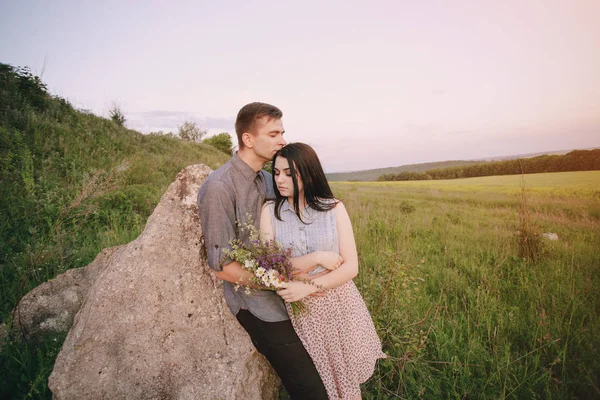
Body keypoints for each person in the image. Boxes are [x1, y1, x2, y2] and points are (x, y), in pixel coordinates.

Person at [197, 103, 329, 399]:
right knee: (311, 389)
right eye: (273, 133)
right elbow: (220, 266)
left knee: (329, 364)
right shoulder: (219, 187)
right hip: (256, 303)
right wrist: (279, 284)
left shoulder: (270, 180)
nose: (282, 140)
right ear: (248, 139)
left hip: (291, 290)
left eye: (282, 132)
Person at [260, 142, 386, 400]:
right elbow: (267, 268)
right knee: (317, 386)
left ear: (307, 173)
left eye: (288, 174)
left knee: (346, 384)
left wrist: (308, 286)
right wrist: (316, 257)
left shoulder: (333, 208)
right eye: (276, 172)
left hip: (340, 306)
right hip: (303, 314)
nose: (280, 180)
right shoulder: (269, 212)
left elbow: (352, 266)